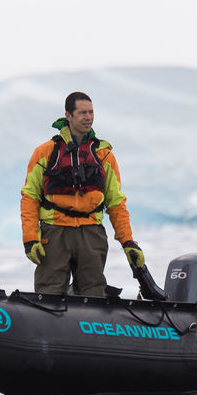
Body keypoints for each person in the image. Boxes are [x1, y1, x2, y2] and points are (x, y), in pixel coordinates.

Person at [20, 92, 144, 296]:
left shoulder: (104, 155)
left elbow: (116, 203)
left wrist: (128, 242)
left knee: (93, 294)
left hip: (91, 234)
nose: (88, 117)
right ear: (68, 115)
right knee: (49, 293)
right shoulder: (45, 152)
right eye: (82, 113)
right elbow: (30, 197)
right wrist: (30, 239)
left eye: (91, 112)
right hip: (54, 233)